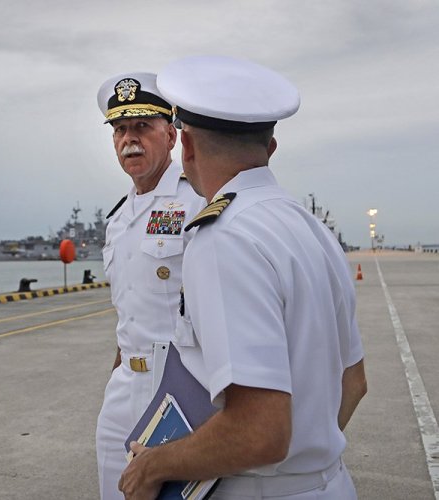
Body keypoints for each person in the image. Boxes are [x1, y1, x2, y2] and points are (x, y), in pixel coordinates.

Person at [118, 56, 368, 500]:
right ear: (269, 149)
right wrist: (308, 460)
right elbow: (354, 382)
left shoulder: (223, 239)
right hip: (329, 484)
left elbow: (260, 432)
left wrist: (154, 466)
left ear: (187, 147)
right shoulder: (311, 229)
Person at [95, 72, 206, 500]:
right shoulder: (119, 219)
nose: (130, 139)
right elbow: (130, 308)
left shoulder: (196, 200)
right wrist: (119, 367)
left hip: (181, 385)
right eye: (120, 129)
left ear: (171, 135)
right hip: (124, 386)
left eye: (142, 126)